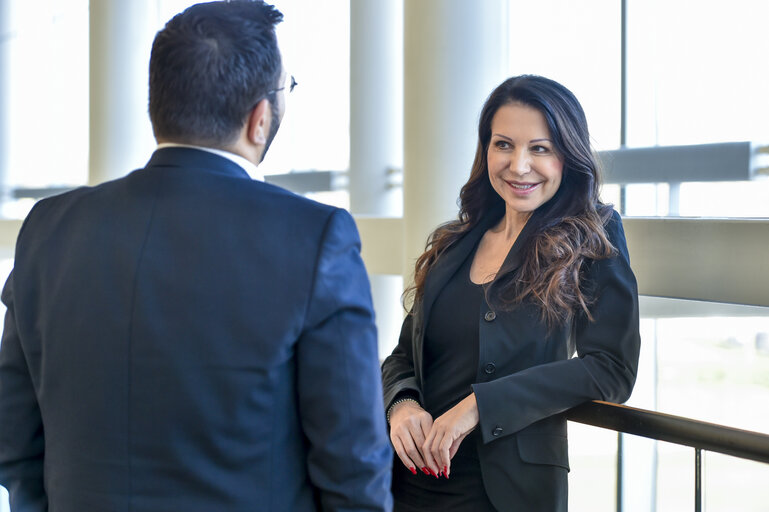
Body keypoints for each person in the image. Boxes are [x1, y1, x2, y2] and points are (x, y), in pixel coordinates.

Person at [0, 1, 392, 511]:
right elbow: (353, 466)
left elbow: (13, 436)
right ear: (260, 118)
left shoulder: (51, 229)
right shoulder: (314, 237)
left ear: (158, 104)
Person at [381, 75, 641, 511]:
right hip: (410, 483)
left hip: (506, 493)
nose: (519, 165)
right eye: (504, 145)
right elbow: (403, 354)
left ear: (567, 156)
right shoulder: (455, 242)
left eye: (540, 148)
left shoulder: (593, 234)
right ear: (486, 150)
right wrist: (402, 403)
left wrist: (481, 405)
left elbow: (613, 368)